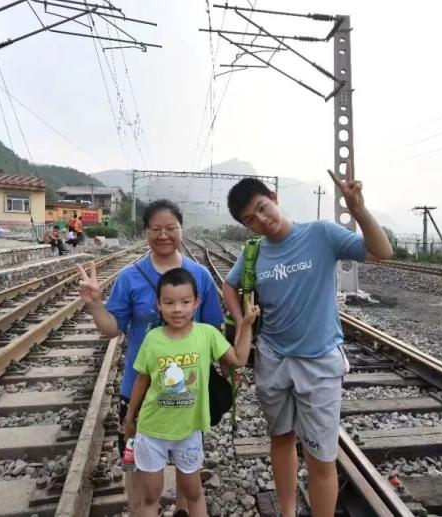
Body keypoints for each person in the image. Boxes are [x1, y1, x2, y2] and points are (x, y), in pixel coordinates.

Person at [222, 172, 393, 517]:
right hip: (272, 359)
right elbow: (229, 285)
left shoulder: (320, 234)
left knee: (321, 455)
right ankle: (287, 511)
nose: (261, 221)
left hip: (318, 362)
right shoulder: (254, 251)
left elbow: (382, 251)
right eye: (249, 220)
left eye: (262, 208)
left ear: (274, 196)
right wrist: (243, 322)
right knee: (281, 439)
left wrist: (358, 209)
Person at [76, 199, 224, 517]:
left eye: (171, 228)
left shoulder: (200, 276)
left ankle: (184, 510)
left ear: (181, 229)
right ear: (146, 232)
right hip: (139, 391)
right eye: (155, 229)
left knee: (187, 467)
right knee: (138, 466)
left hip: (188, 395)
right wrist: (94, 305)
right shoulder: (131, 277)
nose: (163, 235)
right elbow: (112, 329)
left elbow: (213, 329)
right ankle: (139, 509)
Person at [121, 268, 259, 517]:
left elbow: (238, 359)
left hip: (189, 431)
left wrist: (246, 324)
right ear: (159, 304)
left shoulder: (207, 334)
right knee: (151, 494)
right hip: (152, 430)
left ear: (196, 302)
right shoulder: (152, 339)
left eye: (185, 302)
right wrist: (130, 417)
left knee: (194, 492)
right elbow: (142, 380)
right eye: (169, 302)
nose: (177, 309)